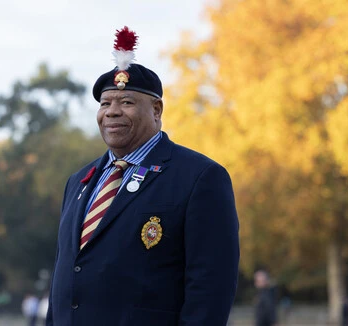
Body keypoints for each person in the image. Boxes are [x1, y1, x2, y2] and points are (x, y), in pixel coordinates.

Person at [46, 26, 240, 326]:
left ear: (157, 110)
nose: (111, 112)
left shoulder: (200, 177)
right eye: (105, 103)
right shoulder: (78, 182)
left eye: (126, 102)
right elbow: (65, 276)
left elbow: (210, 289)